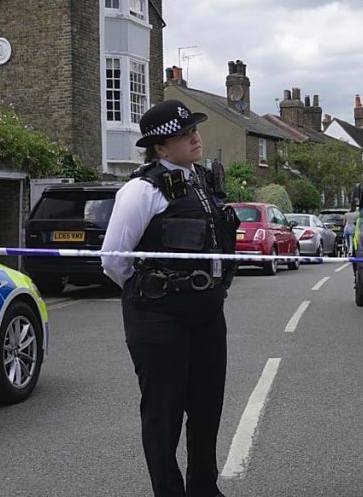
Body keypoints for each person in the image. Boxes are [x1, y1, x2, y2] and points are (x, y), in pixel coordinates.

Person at [102, 99, 238, 497]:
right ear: (160, 147)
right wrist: (154, 290)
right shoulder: (141, 190)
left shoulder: (204, 183)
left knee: (207, 408)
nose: (195, 137)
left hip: (207, 313)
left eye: (194, 129)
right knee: (163, 415)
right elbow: (113, 260)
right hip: (159, 316)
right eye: (183, 134)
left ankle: (204, 489)